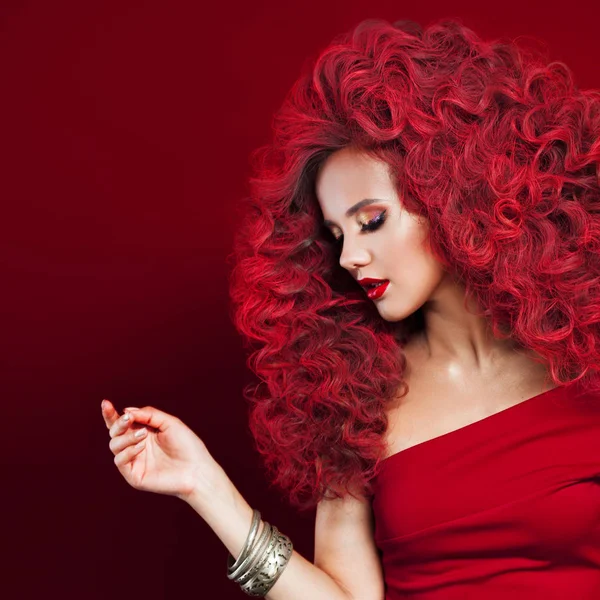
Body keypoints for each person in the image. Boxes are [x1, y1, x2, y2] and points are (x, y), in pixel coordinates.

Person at [101, 17, 600, 599]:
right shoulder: (352, 397)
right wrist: (204, 486)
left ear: (458, 196)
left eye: (371, 221)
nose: (351, 257)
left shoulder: (580, 356)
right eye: (337, 235)